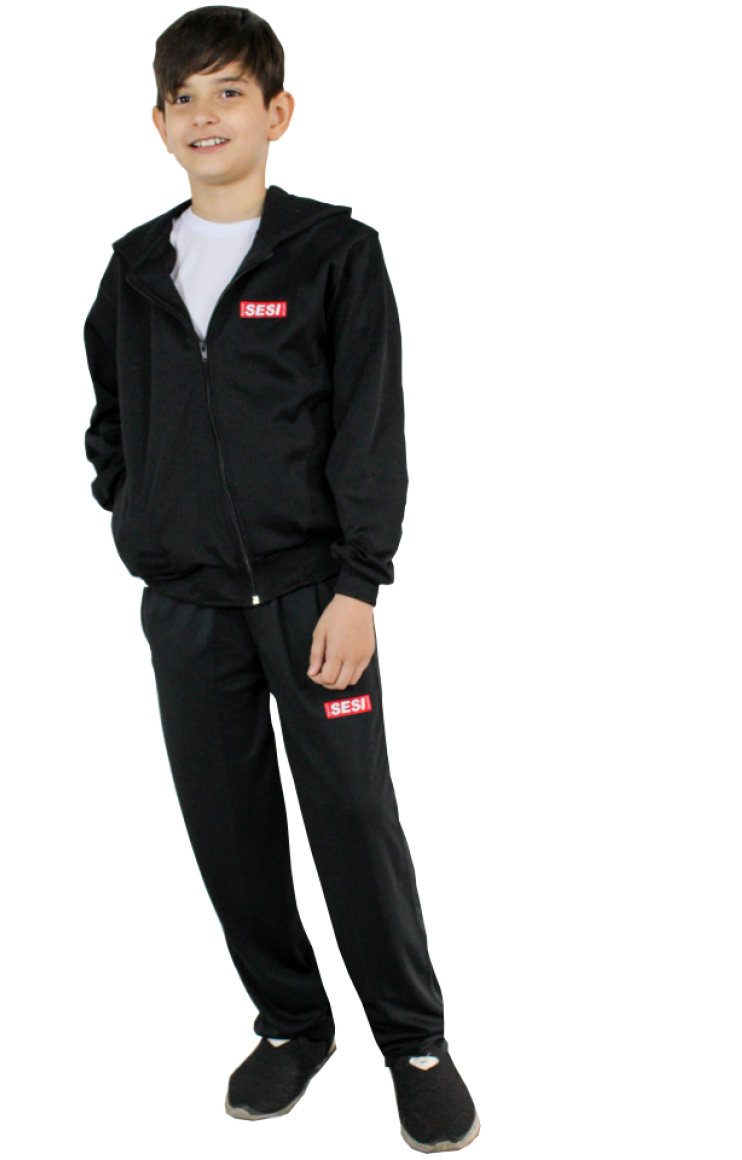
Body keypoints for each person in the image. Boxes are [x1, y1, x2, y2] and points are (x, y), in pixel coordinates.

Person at [82, 6, 479, 1151]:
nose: (205, 116)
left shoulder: (333, 253)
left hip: (313, 597)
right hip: (187, 604)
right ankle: (292, 1024)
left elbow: (369, 424)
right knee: (230, 827)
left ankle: (414, 1041)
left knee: (352, 817)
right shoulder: (134, 266)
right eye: (184, 98)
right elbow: (111, 417)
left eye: (229, 93)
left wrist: (358, 581)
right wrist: (139, 509)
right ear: (158, 122)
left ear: (277, 112)